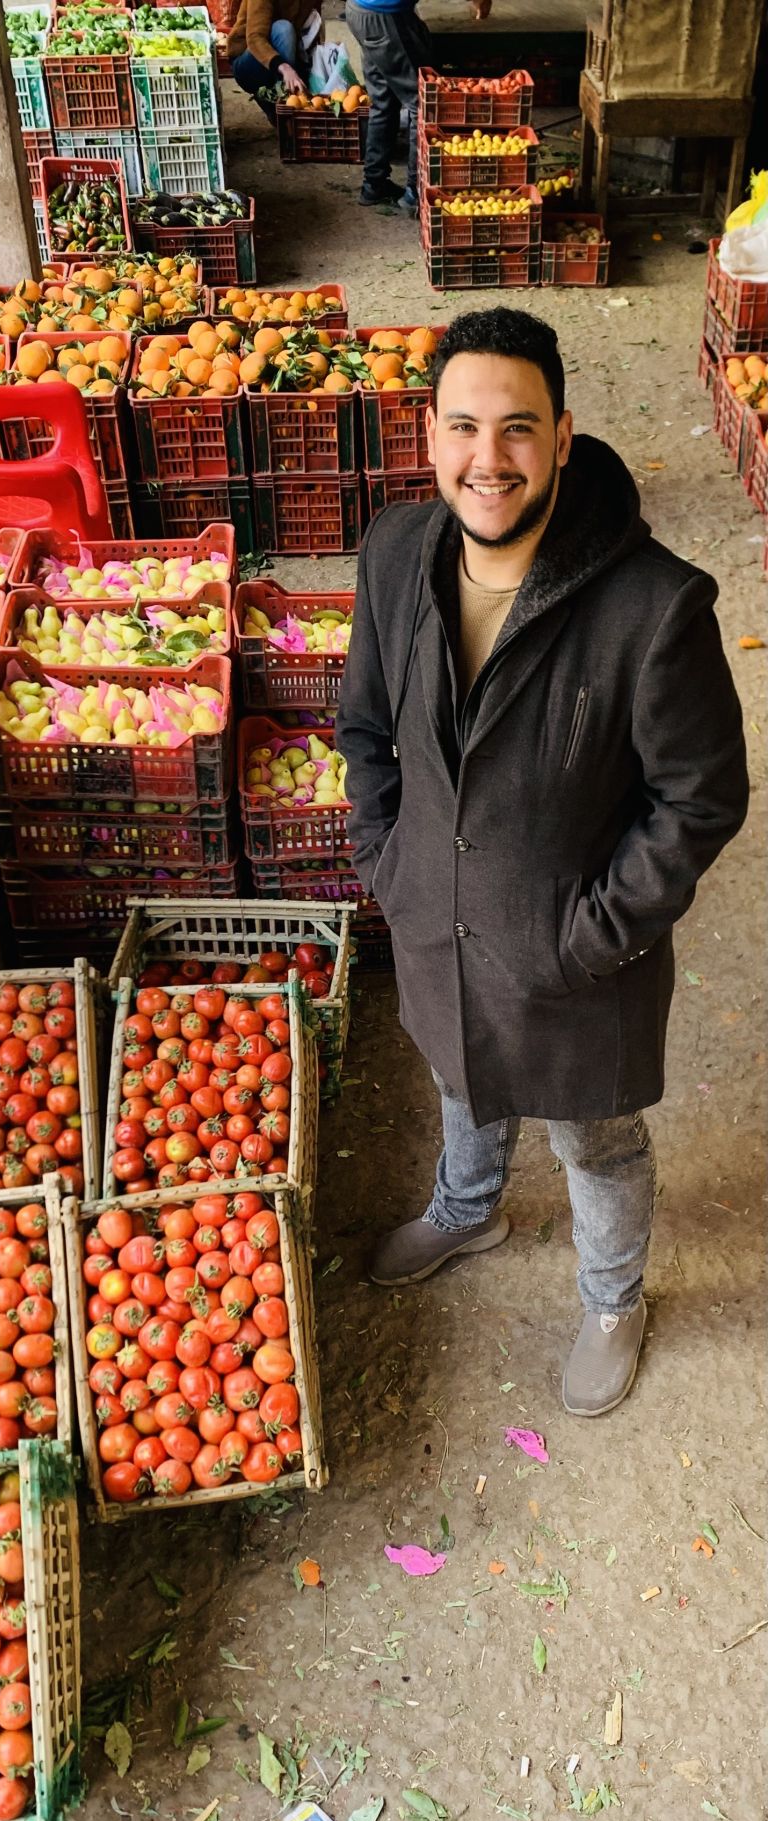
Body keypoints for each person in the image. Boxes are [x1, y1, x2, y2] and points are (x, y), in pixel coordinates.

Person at [335, 308, 748, 1416]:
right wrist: (388, 860)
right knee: (457, 1071)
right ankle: (467, 1209)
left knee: (595, 1139)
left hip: (577, 962)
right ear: (429, 434)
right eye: (464, 427)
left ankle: (613, 1299)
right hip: (435, 918)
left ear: (562, 435)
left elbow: (701, 798)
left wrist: (592, 937)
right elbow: (365, 726)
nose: (489, 457)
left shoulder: (654, 607)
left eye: (518, 428)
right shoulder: (394, 556)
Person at [345, 0, 491, 209]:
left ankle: (374, 185)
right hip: (386, 16)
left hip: (359, 10)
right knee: (422, 103)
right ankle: (415, 192)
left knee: (383, 101)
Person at [229, 0, 319, 121]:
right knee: (284, 29)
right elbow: (255, 38)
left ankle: (286, 108)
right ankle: (282, 106)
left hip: (286, 56)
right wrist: (285, 68)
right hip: (248, 61)